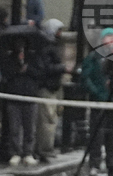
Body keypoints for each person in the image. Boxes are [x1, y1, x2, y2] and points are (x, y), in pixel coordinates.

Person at [80, 28, 113, 176]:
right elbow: (86, 77)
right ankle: (95, 164)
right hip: (98, 100)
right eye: (108, 37)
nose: (111, 40)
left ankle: (112, 165)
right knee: (96, 134)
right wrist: (96, 92)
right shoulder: (94, 57)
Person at [1, 36, 41, 167]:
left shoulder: (34, 58)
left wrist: (27, 68)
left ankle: (28, 153)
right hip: (14, 96)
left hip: (30, 95)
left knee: (30, 128)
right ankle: (15, 153)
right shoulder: (9, 59)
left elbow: (40, 74)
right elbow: (6, 74)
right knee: (14, 127)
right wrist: (17, 68)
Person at [36, 19, 67, 163]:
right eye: (58, 30)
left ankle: (47, 148)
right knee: (47, 120)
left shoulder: (51, 46)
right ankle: (45, 149)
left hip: (53, 87)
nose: (60, 33)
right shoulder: (47, 47)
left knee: (51, 119)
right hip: (47, 87)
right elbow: (46, 68)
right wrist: (62, 68)